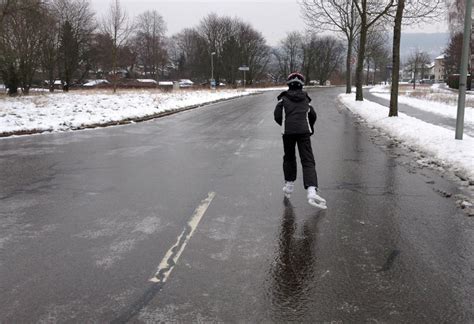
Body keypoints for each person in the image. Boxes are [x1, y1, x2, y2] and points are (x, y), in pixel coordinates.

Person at [274, 72, 326, 209]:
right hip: (304, 133)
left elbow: (277, 116)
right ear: (301, 85)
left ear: (288, 84)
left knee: (289, 157)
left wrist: (286, 124)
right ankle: (312, 190)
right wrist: (310, 128)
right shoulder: (305, 100)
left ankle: (289, 185)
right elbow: (312, 115)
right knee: (307, 160)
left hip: (288, 133)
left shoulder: (282, 100)